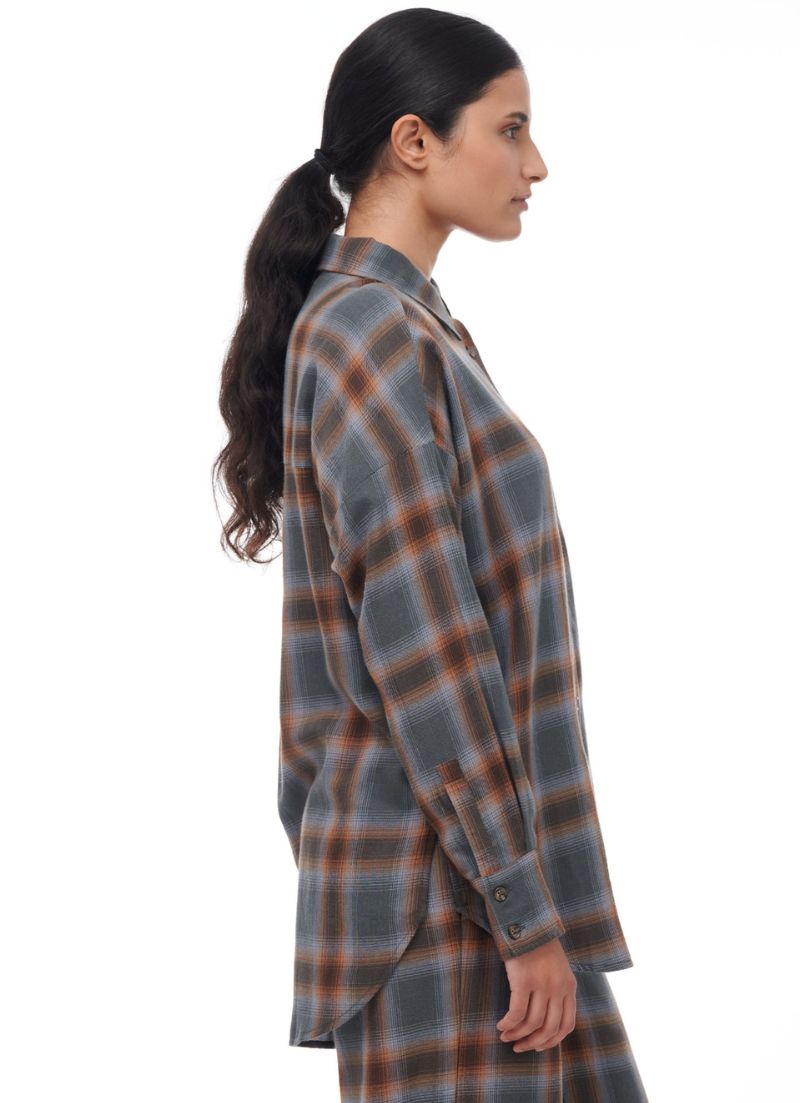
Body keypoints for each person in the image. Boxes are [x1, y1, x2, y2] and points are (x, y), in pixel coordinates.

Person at [214, 8, 649, 1101]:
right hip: (451, 904)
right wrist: (517, 908)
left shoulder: (411, 323)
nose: (535, 164)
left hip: (479, 885)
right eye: (510, 129)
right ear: (415, 141)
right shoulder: (367, 332)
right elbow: (429, 651)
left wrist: (525, 900)